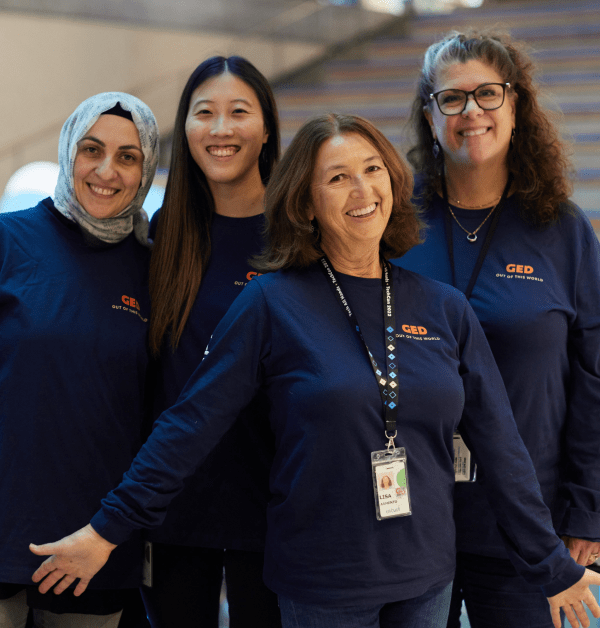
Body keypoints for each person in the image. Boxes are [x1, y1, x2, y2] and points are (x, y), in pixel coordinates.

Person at [28, 113, 600, 628]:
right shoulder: (271, 304)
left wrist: (550, 563)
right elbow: (189, 426)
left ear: (394, 182)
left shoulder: (443, 306)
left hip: (426, 576)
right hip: (322, 579)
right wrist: (109, 529)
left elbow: (502, 449)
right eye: (337, 177)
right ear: (305, 203)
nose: (362, 189)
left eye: (373, 168)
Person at [391, 29, 600, 628]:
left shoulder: (561, 230)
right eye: (451, 99)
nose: (471, 112)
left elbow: (593, 378)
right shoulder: (397, 225)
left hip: (529, 529)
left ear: (515, 108)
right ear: (431, 118)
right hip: (410, 522)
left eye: (488, 94)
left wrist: (587, 512)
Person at [0, 92, 158, 628]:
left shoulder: (155, 269)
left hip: (95, 543)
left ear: (147, 168)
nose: (106, 170)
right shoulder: (9, 240)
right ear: (69, 151)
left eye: (128, 156)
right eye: (92, 149)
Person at [140, 56, 281, 628]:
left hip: (274, 504)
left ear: (266, 127)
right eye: (205, 113)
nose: (221, 129)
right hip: (174, 505)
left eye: (238, 112)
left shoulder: (298, 235)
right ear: (186, 127)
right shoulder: (160, 233)